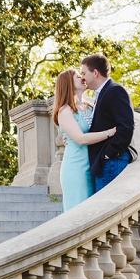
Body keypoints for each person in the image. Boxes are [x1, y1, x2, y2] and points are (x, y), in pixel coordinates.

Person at [52, 68, 117, 212]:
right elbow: (80, 139)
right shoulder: (65, 111)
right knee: (78, 213)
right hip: (76, 168)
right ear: (68, 84)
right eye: (77, 76)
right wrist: (110, 133)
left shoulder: (90, 107)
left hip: (94, 166)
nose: (83, 78)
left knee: (93, 212)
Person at [78, 54, 135, 192]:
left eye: (84, 73)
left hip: (112, 162)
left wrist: (109, 154)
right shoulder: (102, 93)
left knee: (109, 209)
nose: (83, 78)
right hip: (106, 163)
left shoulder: (115, 91)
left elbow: (126, 127)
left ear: (95, 73)